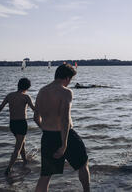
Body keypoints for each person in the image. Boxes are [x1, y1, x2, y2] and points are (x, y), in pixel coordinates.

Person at [34, 64, 90, 192]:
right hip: (66, 136)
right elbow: (65, 118)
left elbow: (35, 117)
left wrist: (46, 129)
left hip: (48, 136)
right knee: (82, 164)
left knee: (45, 175)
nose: (70, 83)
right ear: (67, 78)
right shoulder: (65, 92)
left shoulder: (42, 91)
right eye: (70, 79)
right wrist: (64, 144)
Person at [0, 78, 35, 175]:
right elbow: (35, 109)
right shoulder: (26, 97)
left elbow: (0, 107)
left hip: (12, 124)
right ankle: (9, 168)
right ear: (27, 87)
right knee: (18, 147)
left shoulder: (10, 95)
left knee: (21, 143)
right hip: (21, 123)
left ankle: (24, 161)